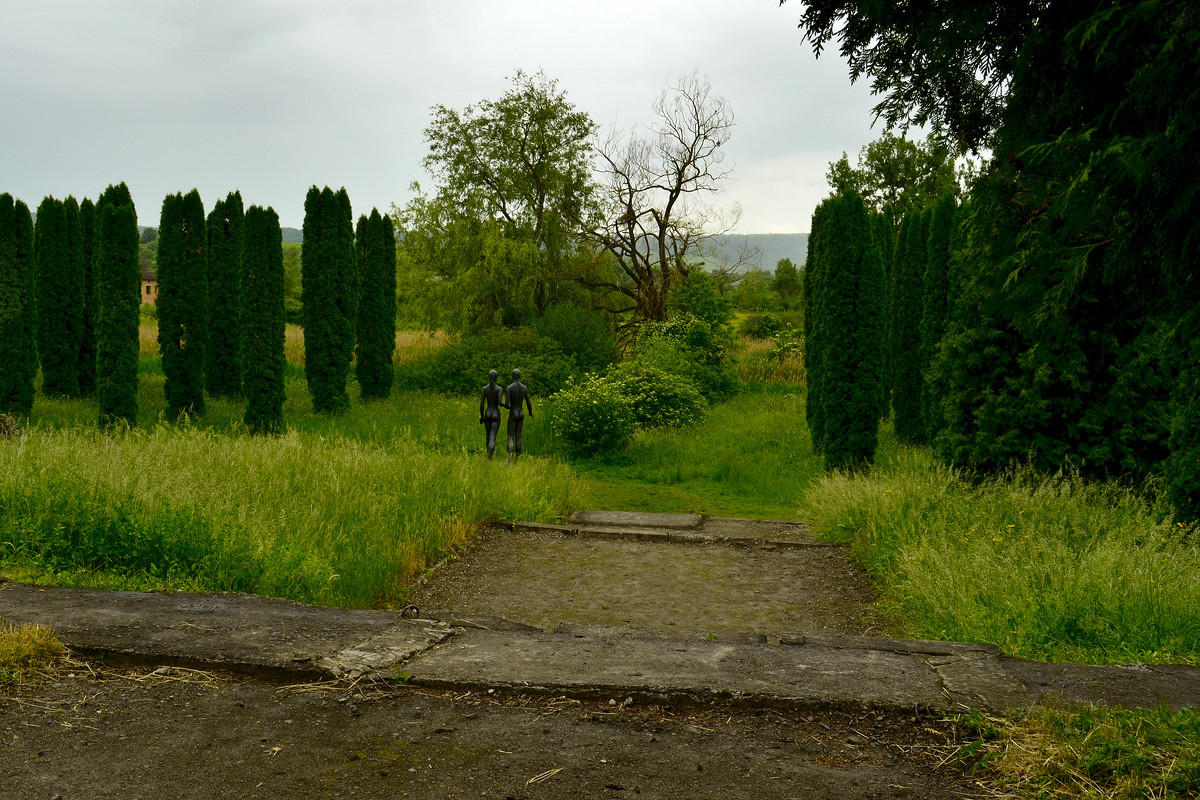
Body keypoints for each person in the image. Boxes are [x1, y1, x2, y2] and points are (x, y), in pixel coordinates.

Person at [504, 368, 533, 460]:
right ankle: (517, 458)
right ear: (519, 376)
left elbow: (507, 404)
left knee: (511, 436)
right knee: (518, 436)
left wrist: (507, 406)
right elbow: (528, 402)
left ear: (512, 376)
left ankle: (509, 458)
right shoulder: (524, 388)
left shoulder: (509, 388)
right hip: (521, 412)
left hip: (513, 412)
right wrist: (530, 412)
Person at [479, 369, 506, 459]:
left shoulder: (485, 389)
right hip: (495, 413)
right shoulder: (499, 389)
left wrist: (481, 416)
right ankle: (490, 456)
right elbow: (499, 402)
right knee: (492, 436)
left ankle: (489, 457)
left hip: (488, 412)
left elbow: (482, 404)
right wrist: (506, 405)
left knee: (488, 435)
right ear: (496, 377)